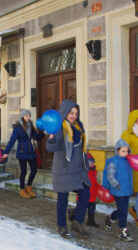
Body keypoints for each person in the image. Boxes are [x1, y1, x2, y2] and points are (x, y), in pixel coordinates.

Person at [46, 100, 90, 239]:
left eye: (76, 113)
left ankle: (77, 222)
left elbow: (82, 148)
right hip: (63, 168)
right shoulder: (59, 127)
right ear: (65, 112)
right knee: (63, 199)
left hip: (78, 169)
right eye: (71, 113)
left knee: (85, 193)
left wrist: (88, 162)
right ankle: (62, 226)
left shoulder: (79, 126)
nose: (73, 116)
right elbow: (50, 148)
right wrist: (51, 138)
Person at [3, 109, 45, 198]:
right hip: (22, 152)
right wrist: (6, 152)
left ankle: (29, 187)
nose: (28, 117)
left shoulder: (31, 126)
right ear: (22, 116)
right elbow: (12, 140)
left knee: (34, 169)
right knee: (24, 171)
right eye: (26, 116)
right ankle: (22, 190)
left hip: (30, 151)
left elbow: (37, 138)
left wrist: (44, 133)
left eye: (29, 116)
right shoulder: (17, 128)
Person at [103, 139, 134, 242]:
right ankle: (122, 231)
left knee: (122, 210)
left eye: (127, 151)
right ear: (117, 151)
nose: (126, 153)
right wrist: (118, 186)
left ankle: (110, 218)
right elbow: (110, 176)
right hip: (119, 190)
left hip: (127, 190)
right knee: (123, 211)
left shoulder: (128, 161)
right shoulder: (114, 162)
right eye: (123, 151)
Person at [68, 152, 100, 228]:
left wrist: (98, 188)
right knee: (82, 208)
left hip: (92, 195)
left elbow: (94, 182)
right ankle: (73, 213)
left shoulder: (94, 171)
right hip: (85, 194)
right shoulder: (83, 171)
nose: (91, 163)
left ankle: (90, 221)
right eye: (89, 162)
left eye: (93, 161)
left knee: (92, 209)